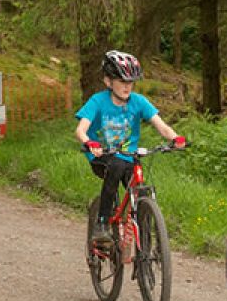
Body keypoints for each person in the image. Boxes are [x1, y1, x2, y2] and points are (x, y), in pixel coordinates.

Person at [75, 50, 184, 249]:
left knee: (140, 190)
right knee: (115, 165)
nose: (127, 86)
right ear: (108, 82)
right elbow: (81, 129)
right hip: (102, 156)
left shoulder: (138, 101)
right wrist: (89, 143)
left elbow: (161, 126)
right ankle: (102, 223)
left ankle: (146, 243)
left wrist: (175, 138)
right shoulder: (98, 101)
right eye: (122, 81)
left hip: (127, 157)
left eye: (131, 82)